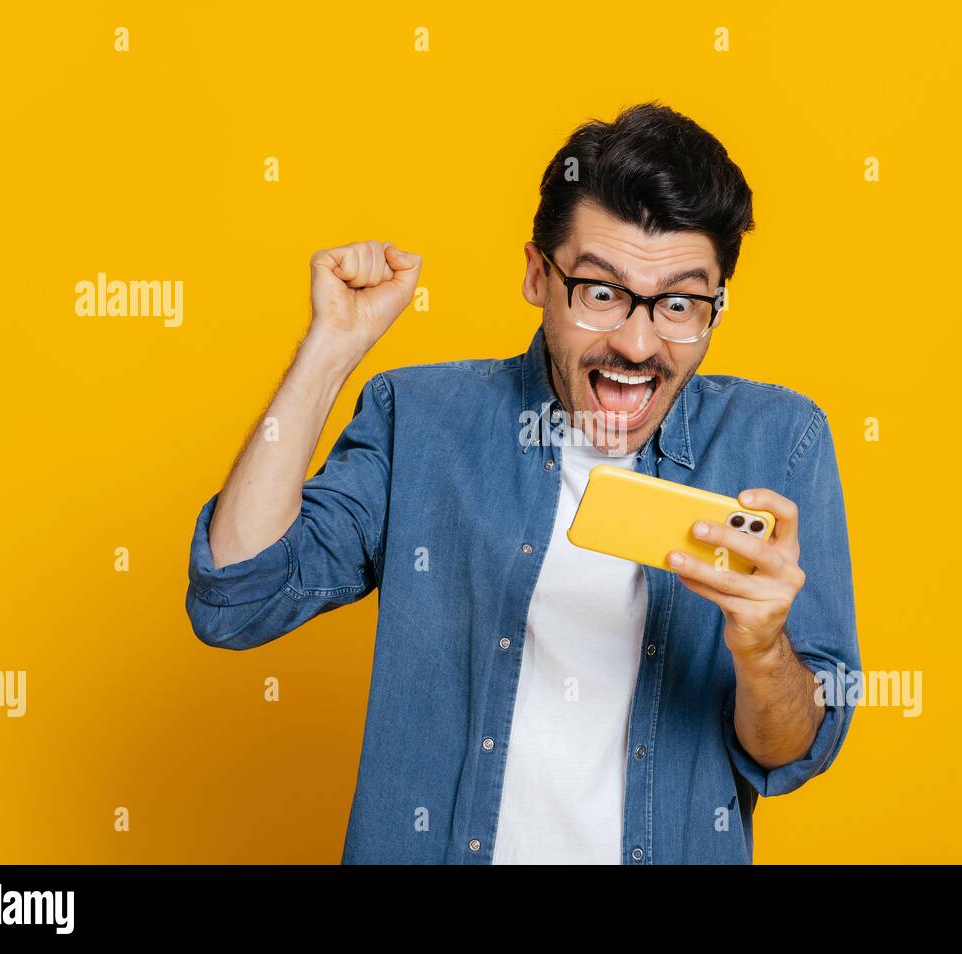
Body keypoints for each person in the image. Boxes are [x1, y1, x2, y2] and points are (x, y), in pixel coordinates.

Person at [185, 101, 861, 864]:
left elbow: (793, 751)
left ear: (715, 307)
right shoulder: (424, 420)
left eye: (679, 304)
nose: (637, 343)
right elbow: (235, 600)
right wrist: (330, 350)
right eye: (601, 292)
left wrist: (764, 650)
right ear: (539, 276)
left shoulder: (779, 442)